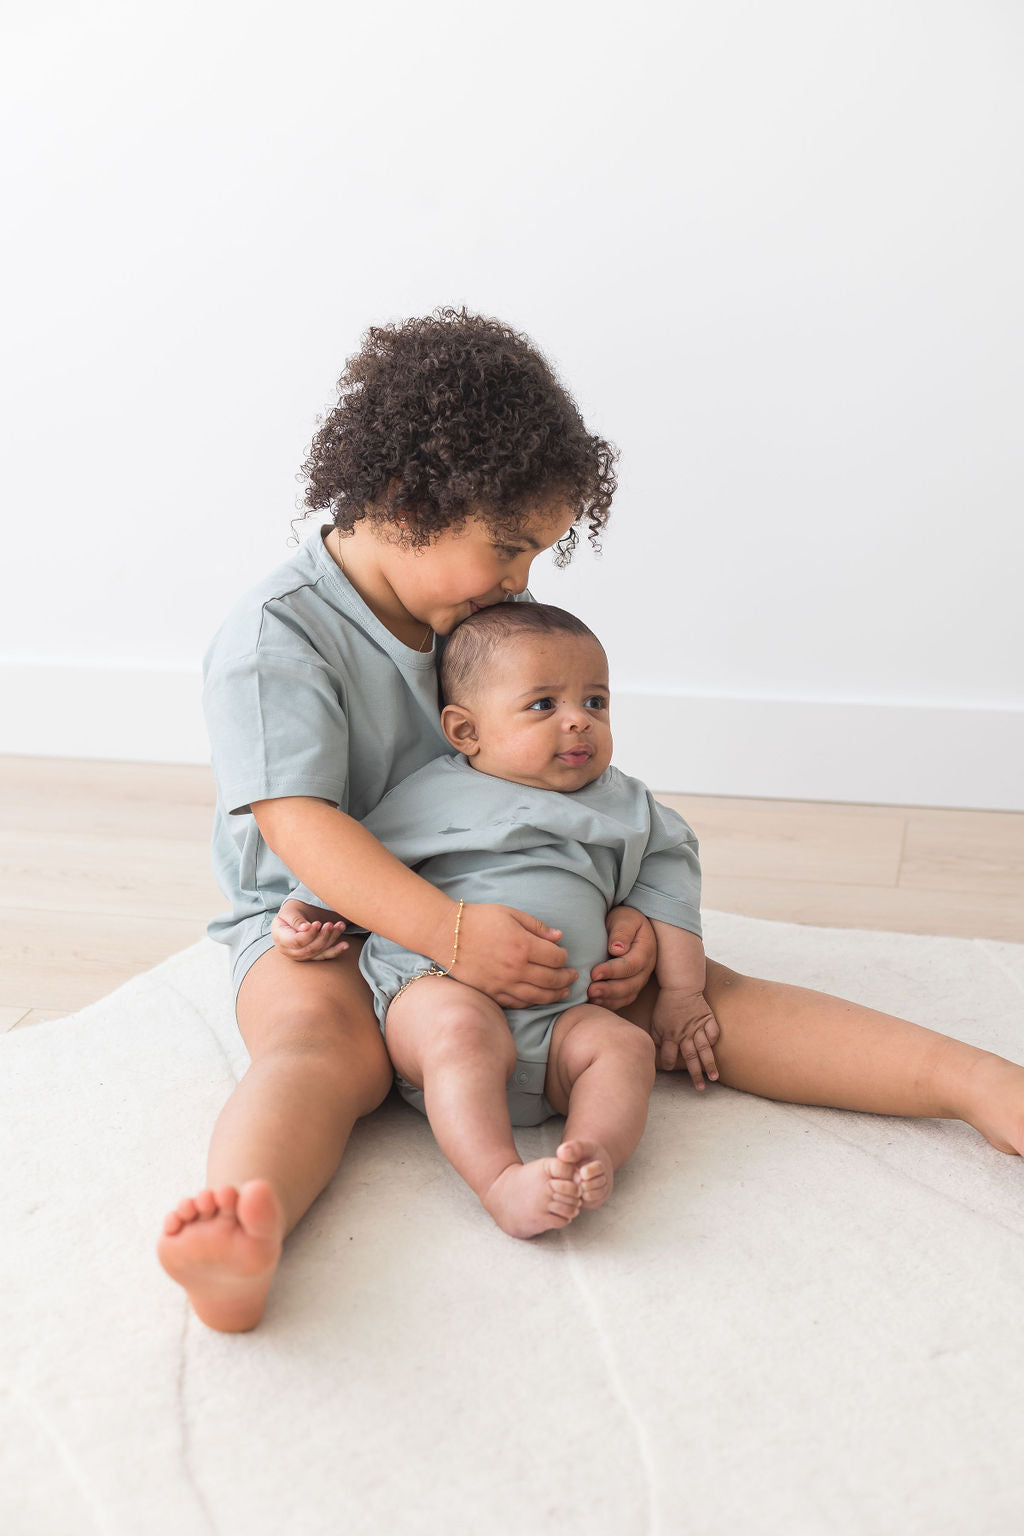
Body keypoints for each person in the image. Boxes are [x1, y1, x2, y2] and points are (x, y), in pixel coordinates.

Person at [158, 308, 1024, 1335]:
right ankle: (240, 1232)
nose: (519, 583)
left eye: (536, 556)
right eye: (509, 548)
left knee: (693, 998)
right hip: (328, 926)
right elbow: (298, 824)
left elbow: (568, 791)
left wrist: (625, 908)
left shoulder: (469, 619)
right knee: (317, 1048)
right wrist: (447, 934)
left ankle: (975, 1084)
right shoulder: (277, 637)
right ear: (406, 499)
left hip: (515, 901)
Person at [274, 602, 719, 1239]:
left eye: (595, 701)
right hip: (441, 989)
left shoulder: (628, 804)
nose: (578, 720)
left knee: (626, 1048)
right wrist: (305, 912)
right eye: (544, 704)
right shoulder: (435, 793)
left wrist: (681, 990)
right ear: (466, 731)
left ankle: (589, 1153)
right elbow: (358, 862)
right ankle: (499, 1181)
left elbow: (670, 877)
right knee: (460, 1030)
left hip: (565, 1016)